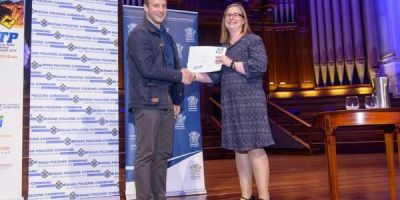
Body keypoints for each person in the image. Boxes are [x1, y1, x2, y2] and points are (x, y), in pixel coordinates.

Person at [193, 3, 274, 200]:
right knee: (239, 148)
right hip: (230, 102)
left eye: (236, 14)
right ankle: (246, 196)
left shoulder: (253, 40)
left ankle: (264, 197)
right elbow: (215, 78)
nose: (231, 17)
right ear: (224, 20)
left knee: (255, 146)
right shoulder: (224, 47)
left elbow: (259, 66)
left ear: (244, 19)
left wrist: (229, 62)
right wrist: (194, 75)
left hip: (250, 101)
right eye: (228, 15)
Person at [127, 0, 194, 199]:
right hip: (146, 102)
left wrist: (175, 100)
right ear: (146, 8)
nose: (161, 10)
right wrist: (179, 76)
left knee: (162, 155)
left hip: (165, 102)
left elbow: (174, 65)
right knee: (146, 155)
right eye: (156, 5)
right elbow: (148, 69)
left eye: (164, 6)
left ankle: (159, 196)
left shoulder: (167, 36)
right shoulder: (139, 34)